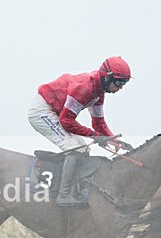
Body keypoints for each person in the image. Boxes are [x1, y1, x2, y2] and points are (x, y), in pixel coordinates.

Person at [28, 56, 132, 206]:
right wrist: (96, 137)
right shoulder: (85, 88)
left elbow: (98, 123)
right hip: (41, 112)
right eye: (119, 83)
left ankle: (74, 190)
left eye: (124, 84)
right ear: (106, 77)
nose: (120, 88)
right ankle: (62, 195)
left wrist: (113, 139)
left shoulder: (98, 93)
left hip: (55, 113)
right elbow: (67, 121)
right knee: (75, 148)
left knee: (84, 150)